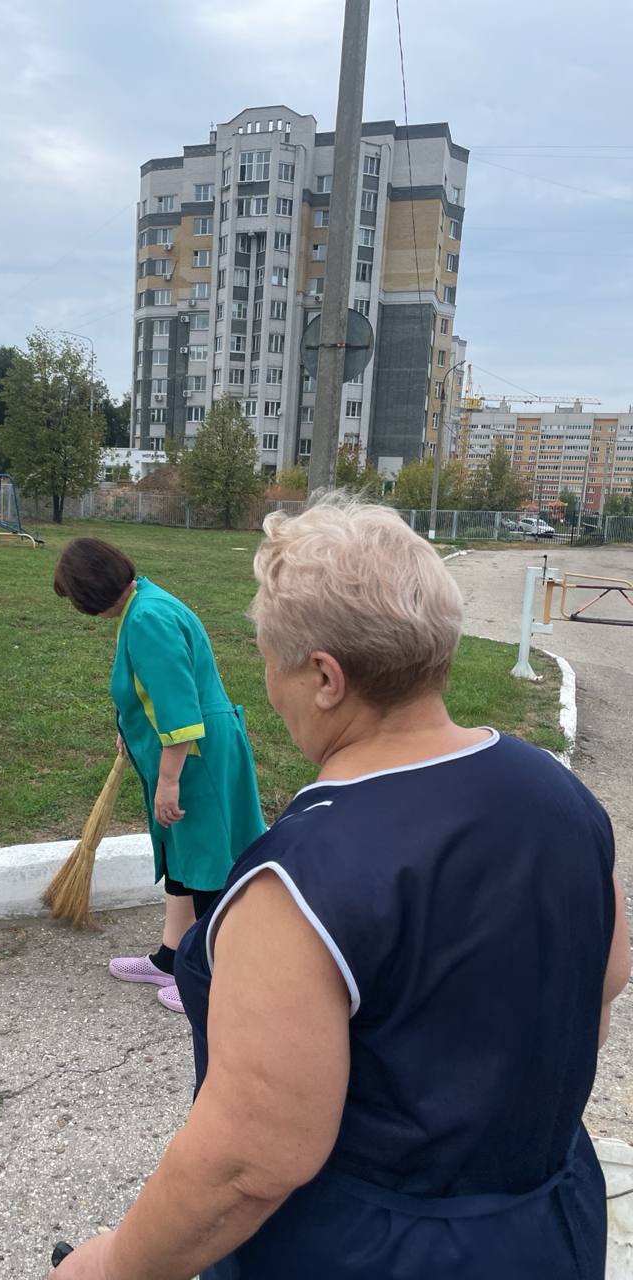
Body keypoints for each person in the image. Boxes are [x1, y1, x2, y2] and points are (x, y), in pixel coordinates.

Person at [56, 494, 630, 1280]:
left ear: (325, 677)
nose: (266, 683)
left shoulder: (297, 882)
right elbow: (597, 999)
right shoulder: (565, 802)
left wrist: (112, 1265)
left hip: (370, 1255)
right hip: (547, 1227)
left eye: (269, 659)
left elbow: (249, 1164)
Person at [53, 536, 266, 1014]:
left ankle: (215, 977)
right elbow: (153, 693)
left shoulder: (147, 618)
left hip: (196, 759)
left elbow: (179, 710)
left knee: (209, 864)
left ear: (89, 594)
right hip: (185, 752)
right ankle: (172, 959)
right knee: (182, 857)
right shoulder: (143, 601)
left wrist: (169, 780)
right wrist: (131, 729)